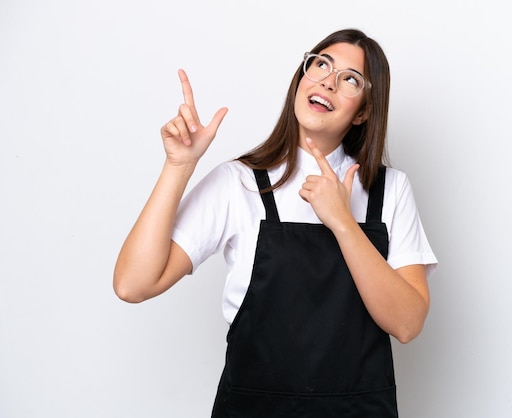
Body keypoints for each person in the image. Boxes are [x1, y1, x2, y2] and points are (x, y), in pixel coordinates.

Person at [114, 28, 437, 417]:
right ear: (302, 78)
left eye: (350, 80)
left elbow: (407, 323)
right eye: (321, 65)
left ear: (365, 110)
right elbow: (133, 285)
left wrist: (343, 224)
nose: (328, 83)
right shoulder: (239, 182)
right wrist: (178, 167)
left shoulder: (389, 190)